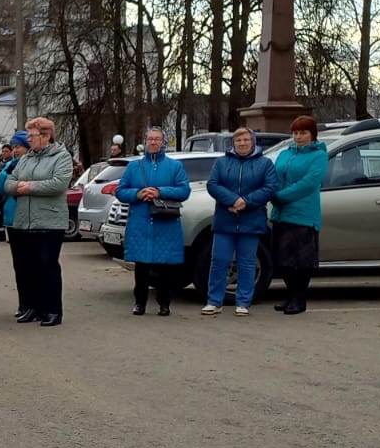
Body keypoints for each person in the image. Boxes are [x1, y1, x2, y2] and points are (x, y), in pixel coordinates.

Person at [115, 126, 191, 316]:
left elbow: (184, 191)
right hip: (140, 222)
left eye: (157, 139)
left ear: (163, 142)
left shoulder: (175, 166)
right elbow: (121, 191)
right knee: (141, 266)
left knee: (165, 266)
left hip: (165, 222)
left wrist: (160, 192)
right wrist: (138, 194)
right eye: (150, 139)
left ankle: (164, 303)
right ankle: (139, 302)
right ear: (145, 142)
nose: (154, 142)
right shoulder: (134, 167)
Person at [202, 127, 278, 315]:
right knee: (219, 260)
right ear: (233, 143)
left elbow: (270, 187)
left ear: (252, 142)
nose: (242, 143)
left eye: (245, 140)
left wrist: (246, 201)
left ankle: (243, 302)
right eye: (238, 140)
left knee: (247, 263)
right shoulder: (222, 162)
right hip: (225, 219)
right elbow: (212, 185)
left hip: (251, 220)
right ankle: (214, 301)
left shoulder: (265, 163)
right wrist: (232, 200)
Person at [6, 117, 73, 327]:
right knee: (28, 268)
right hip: (24, 221)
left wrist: (30, 187)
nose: (28, 139)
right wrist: (18, 187)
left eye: (32, 135)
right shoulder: (26, 158)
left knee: (48, 266)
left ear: (46, 136)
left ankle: (52, 310)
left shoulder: (61, 157)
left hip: (50, 221)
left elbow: (59, 184)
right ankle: (31, 307)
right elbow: (9, 182)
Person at [270, 115, 326, 315]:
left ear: (312, 134)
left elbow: (309, 184)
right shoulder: (285, 153)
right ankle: (291, 295)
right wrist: (272, 193)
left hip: (303, 214)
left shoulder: (318, 156)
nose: (299, 137)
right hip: (281, 214)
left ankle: (299, 299)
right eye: (295, 132)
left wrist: (280, 196)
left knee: (301, 263)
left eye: (303, 132)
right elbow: (274, 177)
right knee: (283, 261)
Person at [0, 130, 32, 316]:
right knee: (20, 265)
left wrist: (16, 186)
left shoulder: (34, 165)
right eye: (14, 147)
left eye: (19, 146)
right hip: (12, 219)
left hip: (32, 219)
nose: (16, 150)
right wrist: (6, 172)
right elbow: (0, 189)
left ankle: (35, 304)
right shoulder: (10, 164)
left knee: (33, 264)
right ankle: (23, 304)